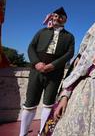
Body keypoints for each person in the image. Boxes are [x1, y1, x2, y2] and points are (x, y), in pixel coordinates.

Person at [19, 7, 75, 136]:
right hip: (36, 71)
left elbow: (69, 53)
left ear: (65, 20)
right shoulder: (41, 32)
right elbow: (31, 47)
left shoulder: (69, 37)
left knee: (48, 104)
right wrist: (36, 62)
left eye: (61, 17)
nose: (57, 18)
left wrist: (53, 65)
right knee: (30, 104)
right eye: (55, 16)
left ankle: (42, 134)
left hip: (55, 74)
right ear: (52, 17)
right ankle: (23, 134)